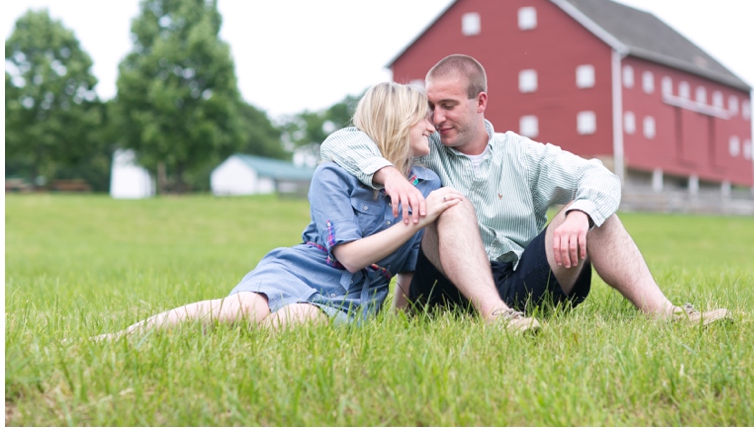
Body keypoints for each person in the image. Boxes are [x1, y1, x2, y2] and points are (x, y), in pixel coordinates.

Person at [321, 55, 730, 327]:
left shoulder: (525, 154)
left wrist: (580, 214)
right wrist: (390, 174)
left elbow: (600, 177)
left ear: (480, 101)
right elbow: (340, 142)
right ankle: (496, 318)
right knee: (449, 205)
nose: (436, 117)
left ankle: (667, 314)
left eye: (448, 105)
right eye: (431, 107)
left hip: (522, 281)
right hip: (450, 287)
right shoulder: (427, 153)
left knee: (594, 211)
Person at [94, 82, 472, 340]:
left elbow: (405, 271)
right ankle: (120, 338)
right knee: (240, 310)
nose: (432, 125)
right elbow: (350, 257)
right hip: (304, 269)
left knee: (288, 326)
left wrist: (397, 329)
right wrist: (419, 219)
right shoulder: (332, 175)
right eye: (423, 116)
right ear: (398, 120)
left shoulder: (427, 184)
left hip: (355, 298)